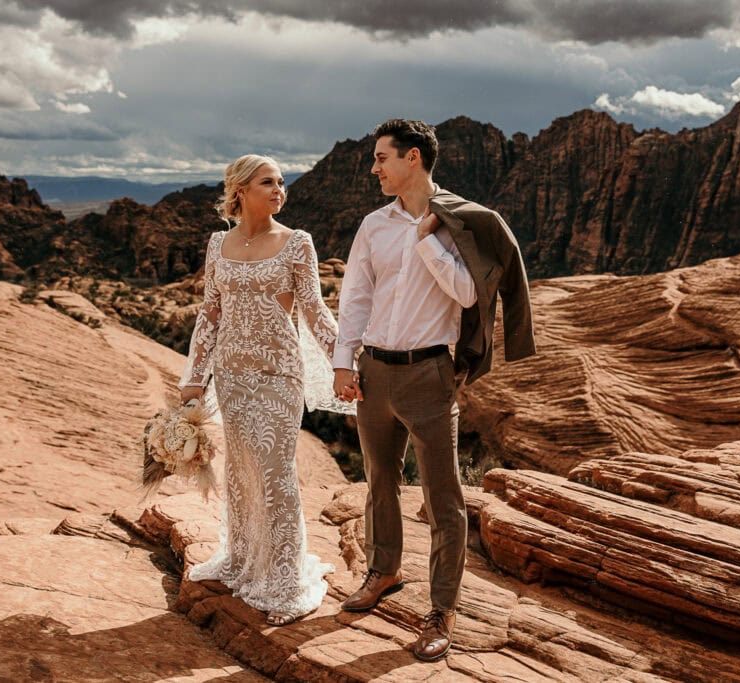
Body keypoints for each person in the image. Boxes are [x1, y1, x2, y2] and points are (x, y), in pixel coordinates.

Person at [332, 119, 535, 661]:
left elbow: (470, 294)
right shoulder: (373, 225)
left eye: (381, 158)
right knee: (379, 481)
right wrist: (341, 363)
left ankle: (441, 611)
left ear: (413, 157)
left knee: (443, 498)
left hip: (429, 374)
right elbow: (355, 296)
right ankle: (384, 571)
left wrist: (427, 242)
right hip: (374, 370)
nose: (374, 168)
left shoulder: (456, 223)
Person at [179, 154, 353, 626]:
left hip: (279, 372)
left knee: (274, 469)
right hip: (233, 374)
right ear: (239, 191)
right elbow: (209, 313)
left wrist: (345, 362)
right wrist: (195, 376)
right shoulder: (219, 244)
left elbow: (315, 310)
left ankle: (282, 578)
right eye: (267, 182)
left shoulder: (297, 243)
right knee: (242, 468)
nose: (279, 190)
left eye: (281, 182)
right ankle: (241, 559)